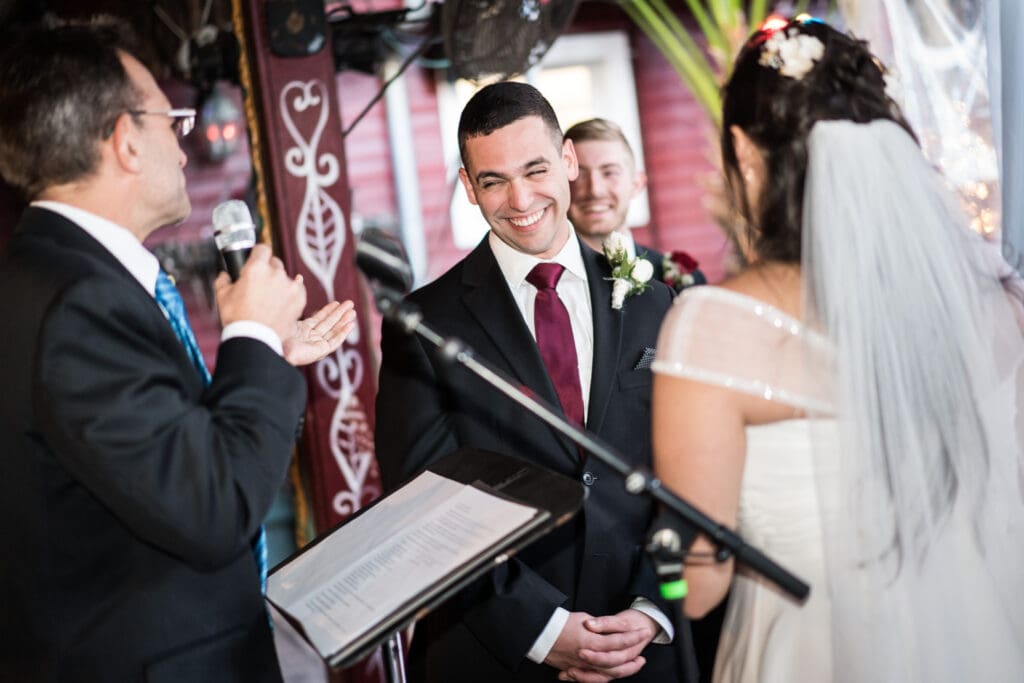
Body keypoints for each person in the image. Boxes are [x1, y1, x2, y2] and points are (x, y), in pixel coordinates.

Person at [650, 15, 1024, 682]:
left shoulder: (713, 327)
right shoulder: (997, 305)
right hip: (980, 642)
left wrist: (656, 554)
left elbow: (698, 584)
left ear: (742, 151)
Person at [0, 18, 357, 682]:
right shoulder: (79, 303)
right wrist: (249, 336)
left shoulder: (53, 277)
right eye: (173, 122)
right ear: (126, 142)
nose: (185, 148)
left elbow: (162, 456)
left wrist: (268, 353)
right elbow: (212, 505)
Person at [375, 82, 688, 683]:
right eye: (492, 181)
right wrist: (544, 631)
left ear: (568, 160)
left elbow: (685, 476)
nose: (519, 199)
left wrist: (652, 607)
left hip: (645, 650)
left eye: (536, 169)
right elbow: (422, 508)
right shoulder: (424, 324)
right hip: (496, 655)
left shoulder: (653, 301)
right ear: (469, 187)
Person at [565, 118, 705, 290]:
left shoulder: (683, 280)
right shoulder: (546, 283)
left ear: (636, 184)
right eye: (579, 174)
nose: (594, 190)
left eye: (609, 172)